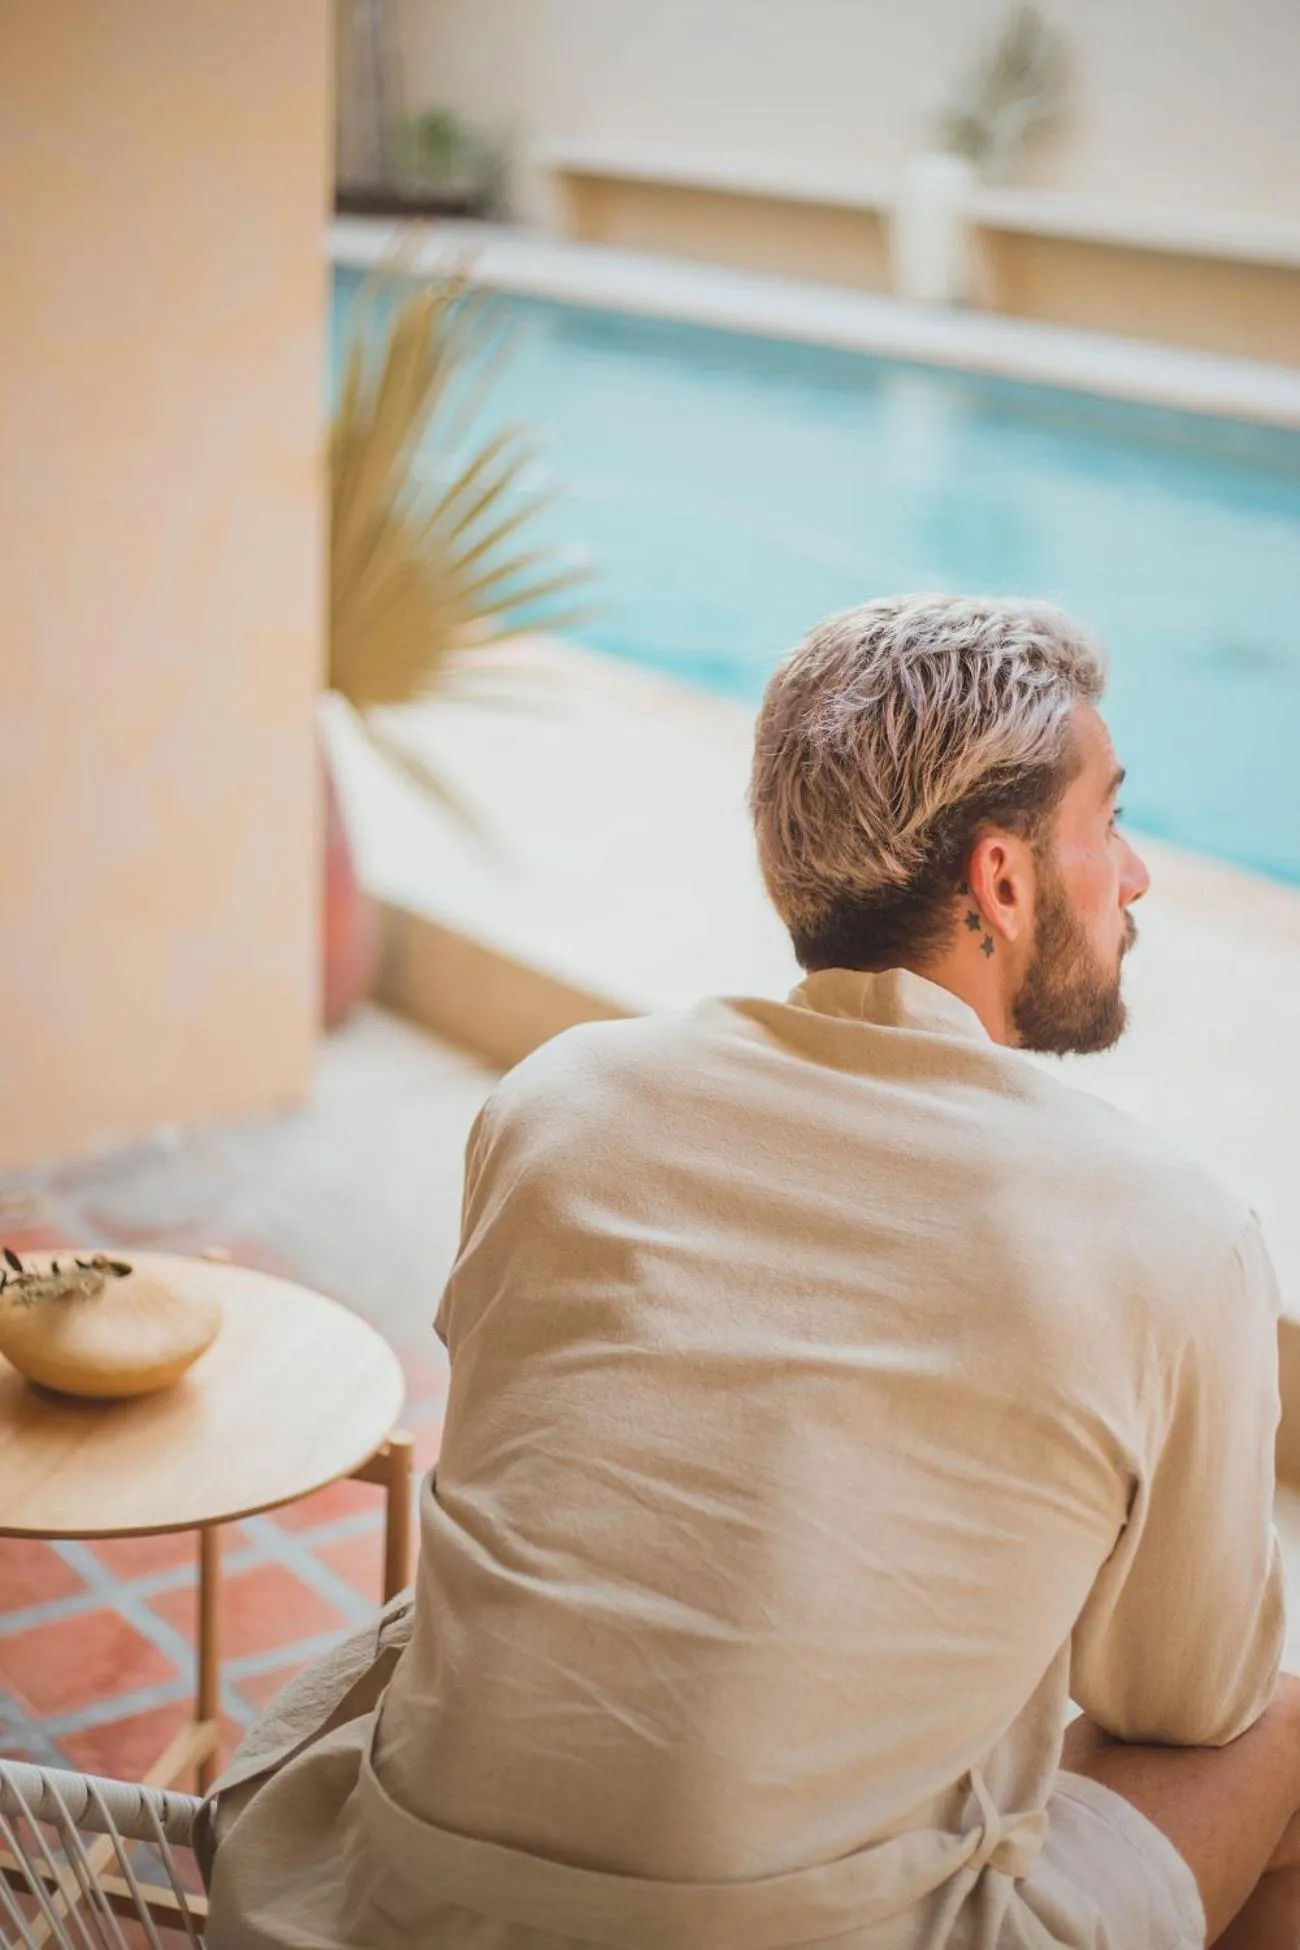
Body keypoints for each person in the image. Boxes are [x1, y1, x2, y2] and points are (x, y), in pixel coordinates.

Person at [201, 595, 1294, 1949]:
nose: (1133, 874)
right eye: (1109, 821)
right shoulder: (1169, 1231)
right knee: (1281, 1730)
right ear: (1003, 882)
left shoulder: (561, 1101)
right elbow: (1190, 1695)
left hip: (400, 1906)